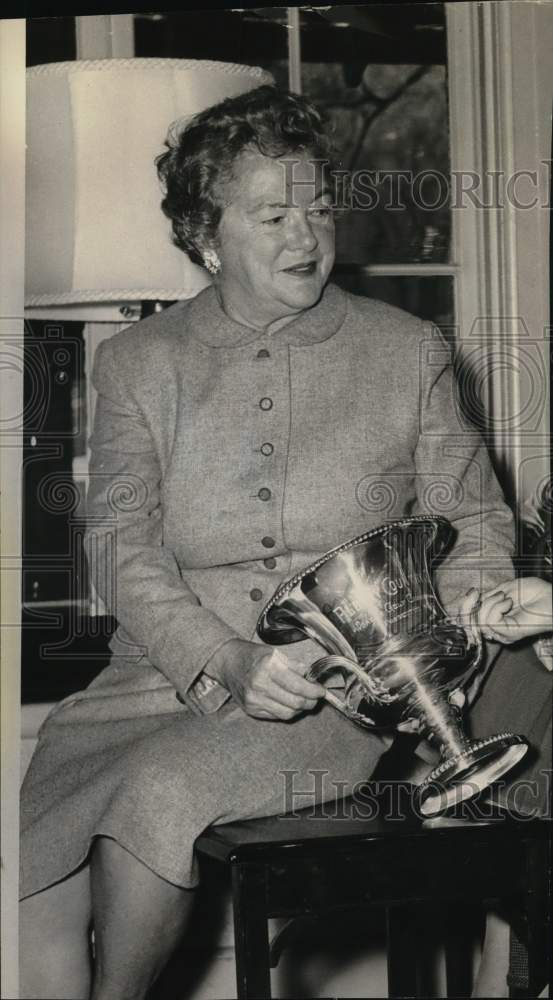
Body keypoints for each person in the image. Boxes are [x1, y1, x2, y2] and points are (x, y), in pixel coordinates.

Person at [18, 85, 542, 1000]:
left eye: (319, 208)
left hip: (329, 693)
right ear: (206, 238)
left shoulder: (408, 349)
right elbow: (120, 542)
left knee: (157, 795)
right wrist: (222, 657)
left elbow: (479, 519)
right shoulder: (140, 362)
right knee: (31, 882)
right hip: (153, 680)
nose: (306, 237)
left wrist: (459, 624)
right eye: (272, 216)